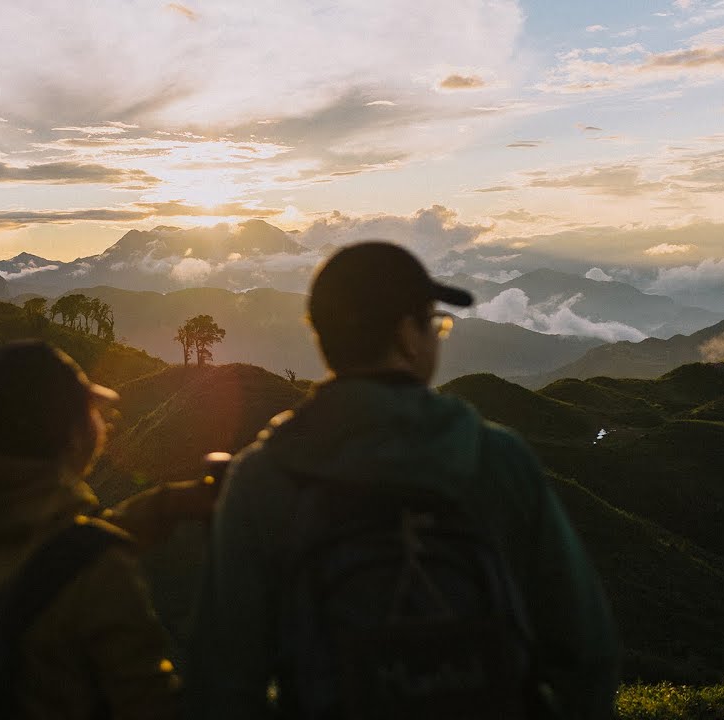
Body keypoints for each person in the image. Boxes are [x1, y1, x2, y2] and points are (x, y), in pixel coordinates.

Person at [185, 242, 619, 719]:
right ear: (407, 337)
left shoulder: (263, 479)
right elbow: (585, 650)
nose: (437, 335)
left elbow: (222, 680)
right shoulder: (497, 460)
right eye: (435, 323)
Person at [0, 340, 212, 720]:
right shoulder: (101, 573)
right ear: (68, 434)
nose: (101, 423)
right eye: (90, 412)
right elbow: (150, 704)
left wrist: (163, 506)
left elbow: (48, 560)